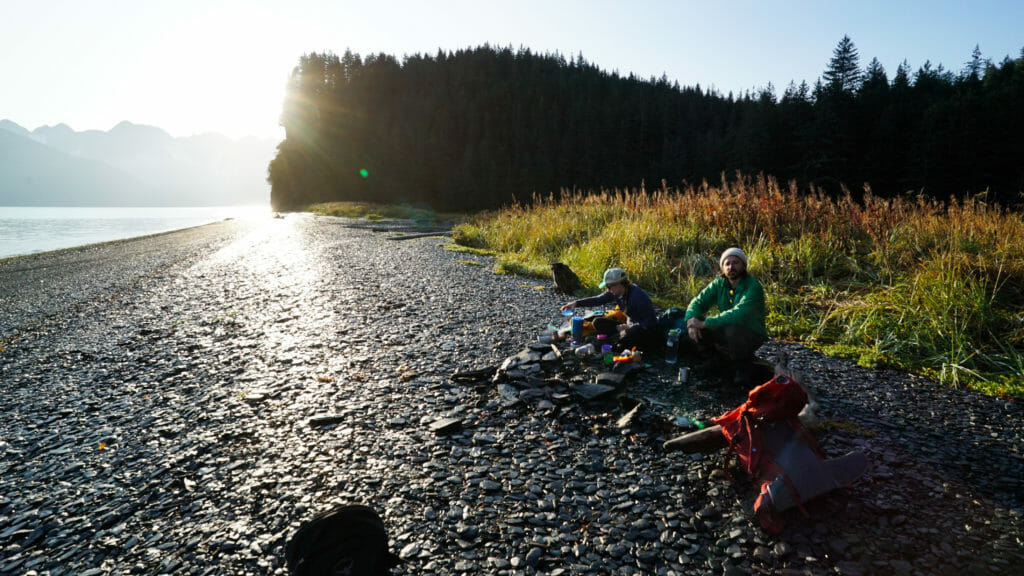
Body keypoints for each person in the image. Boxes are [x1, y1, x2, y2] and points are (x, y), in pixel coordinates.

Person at [684, 247, 768, 386]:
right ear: (722, 267)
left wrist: (705, 323)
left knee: (731, 328)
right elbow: (698, 302)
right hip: (728, 328)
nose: (731, 267)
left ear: (743, 265)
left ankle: (742, 368)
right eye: (727, 264)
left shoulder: (753, 286)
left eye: (735, 263)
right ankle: (714, 360)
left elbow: (738, 313)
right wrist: (690, 322)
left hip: (751, 333)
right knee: (696, 323)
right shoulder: (720, 283)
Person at [560, 267, 659, 352]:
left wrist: (630, 327)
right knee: (597, 322)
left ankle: (605, 343)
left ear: (619, 284)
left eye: (609, 286)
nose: (608, 289)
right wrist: (576, 303)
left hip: (643, 332)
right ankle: (615, 339)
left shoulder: (637, 296)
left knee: (632, 332)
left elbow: (651, 322)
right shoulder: (616, 292)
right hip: (628, 326)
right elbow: (597, 300)